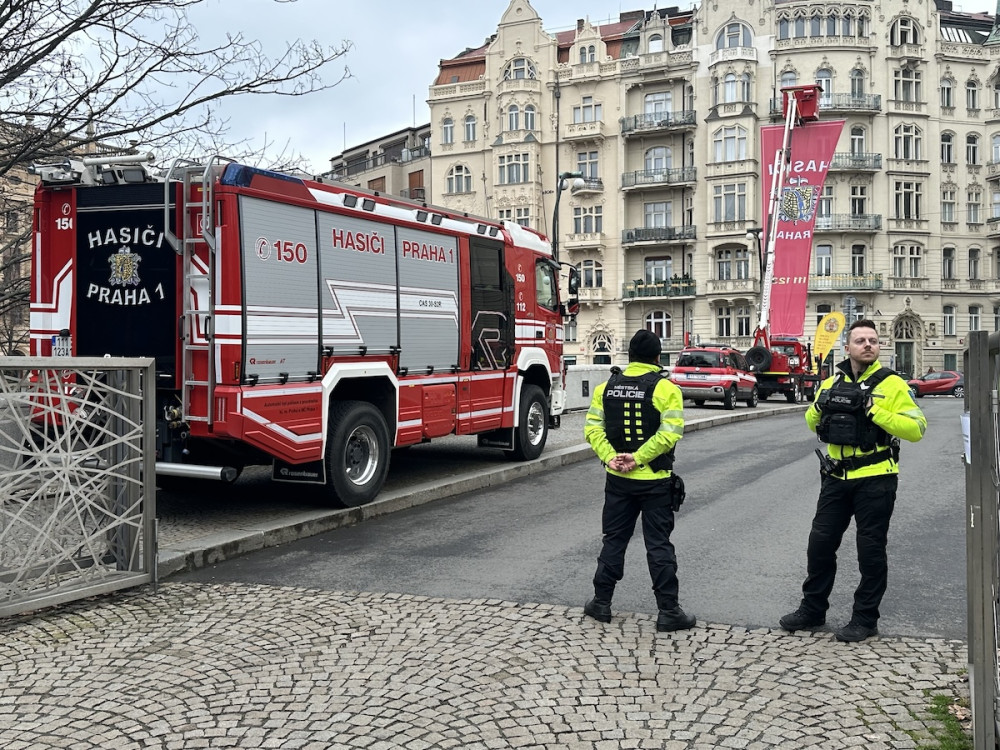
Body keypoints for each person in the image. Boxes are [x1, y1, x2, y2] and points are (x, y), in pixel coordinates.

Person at [780, 319, 926, 642]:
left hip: (877, 479)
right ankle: (813, 610)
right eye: (860, 340)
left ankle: (865, 619)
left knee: (870, 551)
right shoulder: (833, 382)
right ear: (847, 347)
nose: (868, 345)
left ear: (879, 346)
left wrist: (876, 412)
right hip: (836, 476)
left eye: (873, 340)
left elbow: (917, 429)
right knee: (820, 544)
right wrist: (820, 405)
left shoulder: (893, 384)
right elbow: (810, 422)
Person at [582, 329, 694, 632]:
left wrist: (611, 457)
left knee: (614, 540)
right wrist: (640, 457)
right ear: (658, 357)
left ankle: (601, 603)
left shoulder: (606, 388)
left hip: (617, 479)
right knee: (658, 544)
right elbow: (670, 433)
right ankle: (669, 611)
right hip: (655, 479)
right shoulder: (667, 389)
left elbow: (593, 429)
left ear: (629, 356)